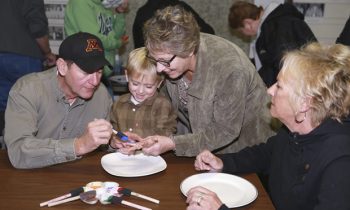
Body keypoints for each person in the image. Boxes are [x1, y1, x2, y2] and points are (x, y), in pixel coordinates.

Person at [187, 42, 350, 210]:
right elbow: (267, 154)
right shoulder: (293, 133)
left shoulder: (340, 161)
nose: (270, 91)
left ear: (304, 104)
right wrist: (223, 163)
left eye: (279, 86)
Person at [117, 5, 275, 157]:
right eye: (155, 60)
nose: (159, 69)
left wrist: (174, 144)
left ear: (189, 50)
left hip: (247, 153)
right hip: (204, 151)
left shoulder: (230, 69)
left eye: (164, 62)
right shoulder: (168, 58)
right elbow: (161, 103)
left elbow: (224, 130)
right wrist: (143, 134)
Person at [4, 32, 114, 169]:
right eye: (86, 72)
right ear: (62, 67)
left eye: (99, 71)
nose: (95, 81)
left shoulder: (101, 95)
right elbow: (18, 151)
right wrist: (78, 145)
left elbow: (103, 145)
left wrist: (113, 142)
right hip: (30, 179)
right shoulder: (28, 90)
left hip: (78, 179)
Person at [228, 1, 317, 87]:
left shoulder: (275, 27)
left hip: (302, 85)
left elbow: (285, 64)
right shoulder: (275, 23)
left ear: (247, 23)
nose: (244, 35)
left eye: (241, 31)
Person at [0, 0, 56, 135]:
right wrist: (47, 52)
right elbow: (37, 27)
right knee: (30, 103)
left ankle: (4, 148)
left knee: (3, 106)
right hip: (24, 55)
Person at [110, 47, 177, 147]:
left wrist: (143, 144)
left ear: (159, 83)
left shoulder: (163, 105)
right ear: (127, 76)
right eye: (135, 84)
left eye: (148, 86)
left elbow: (166, 138)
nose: (140, 91)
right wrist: (114, 142)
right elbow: (113, 133)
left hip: (153, 160)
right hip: (124, 160)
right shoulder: (118, 103)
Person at [64, 0, 129, 82]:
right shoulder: (80, 3)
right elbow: (94, 39)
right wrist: (119, 43)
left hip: (103, 71)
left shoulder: (103, 4)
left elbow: (115, 36)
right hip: (86, 73)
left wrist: (120, 12)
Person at [132, 0, 215, 49]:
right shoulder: (180, 7)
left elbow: (138, 48)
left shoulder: (142, 12)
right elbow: (209, 32)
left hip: (148, 69)